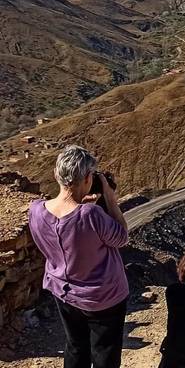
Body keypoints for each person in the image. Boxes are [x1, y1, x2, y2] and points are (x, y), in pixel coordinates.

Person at [28, 145, 129, 368]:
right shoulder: (92, 214)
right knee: (105, 353)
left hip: (63, 292)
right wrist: (110, 198)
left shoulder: (35, 210)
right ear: (87, 178)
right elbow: (121, 237)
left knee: (75, 346)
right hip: (103, 296)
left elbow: (65, 231)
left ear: (56, 174)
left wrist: (83, 208)